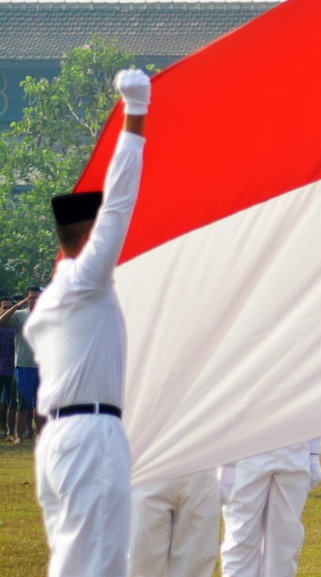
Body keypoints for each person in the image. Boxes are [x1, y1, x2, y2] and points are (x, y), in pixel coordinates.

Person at [21, 69, 149, 577]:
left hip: (58, 440)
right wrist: (135, 112)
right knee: (98, 563)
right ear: (91, 235)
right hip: (90, 436)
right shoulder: (83, 282)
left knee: (75, 563)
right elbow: (119, 200)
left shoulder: (53, 298)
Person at [219, 440, 321, 577]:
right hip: (248, 449)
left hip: (295, 449)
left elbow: (311, 418)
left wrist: (314, 455)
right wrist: (225, 462)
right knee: (242, 536)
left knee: (286, 539)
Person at [128, 470, 221, 577]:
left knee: (195, 563)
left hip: (202, 474)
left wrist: (225, 483)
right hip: (151, 473)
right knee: (141, 564)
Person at [0, 287, 43, 441]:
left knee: (41, 403)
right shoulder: (20, 315)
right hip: (23, 366)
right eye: (31, 298)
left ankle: (40, 434)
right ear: (27, 299)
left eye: (37, 297)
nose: (34, 301)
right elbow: (2, 321)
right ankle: (18, 436)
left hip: (43, 366)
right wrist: (17, 306)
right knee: (22, 404)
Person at [0, 297, 14, 440]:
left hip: (11, 369)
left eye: (9, 307)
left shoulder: (16, 327)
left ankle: (8, 429)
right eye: (4, 307)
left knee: (8, 401)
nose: (6, 310)